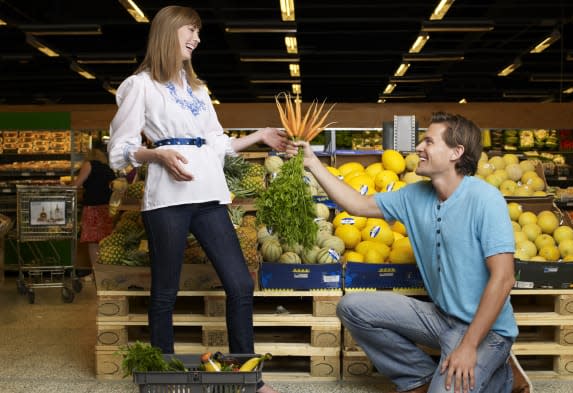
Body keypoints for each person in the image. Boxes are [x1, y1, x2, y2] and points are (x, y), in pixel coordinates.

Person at [107, 6, 286, 393]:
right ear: (169, 33)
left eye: (198, 32)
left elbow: (217, 142)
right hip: (167, 200)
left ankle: (246, 378)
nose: (197, 38)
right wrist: (156, 154)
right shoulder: (140, 86)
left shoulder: (199, 90)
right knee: (165, 293)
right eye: (191, 30)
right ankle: (163, 379)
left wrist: (258, 136)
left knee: (240, 284)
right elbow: (120, 148)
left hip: (209, 196)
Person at [292, 112, 522, 393]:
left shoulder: (485, 199)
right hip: (441, 318)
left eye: (429, 141)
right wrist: (312, 163)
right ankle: (420, 378)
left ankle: (504, 377)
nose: (418, 148)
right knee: (352, 308)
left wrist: (469, 347)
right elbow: (359, 206)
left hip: (487, 333)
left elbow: (504, 278)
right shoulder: (414, 195)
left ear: (456, 152)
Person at [72, 144, 116, 267]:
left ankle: (95, 272)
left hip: (93, 208)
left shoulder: (89, 165)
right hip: (108, 208)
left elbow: (76, 185)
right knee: (104, 240)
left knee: (92, 241)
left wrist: (66, 187)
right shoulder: (109, 169)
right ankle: (104, 271)